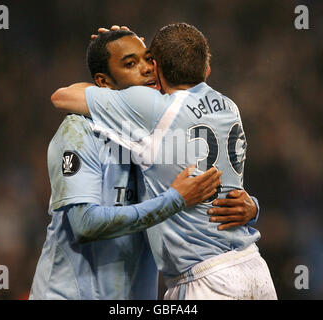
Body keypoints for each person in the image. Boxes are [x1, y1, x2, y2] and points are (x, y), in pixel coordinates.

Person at [51, 24, 276, 300]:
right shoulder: (229, 106)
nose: (144, 69)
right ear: (207, 70)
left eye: (148, 61)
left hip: (205, 279)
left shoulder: (152, 108)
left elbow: (62, 96)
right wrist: (253, 208)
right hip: (254, 268)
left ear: (156, 69)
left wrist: (112, 54)